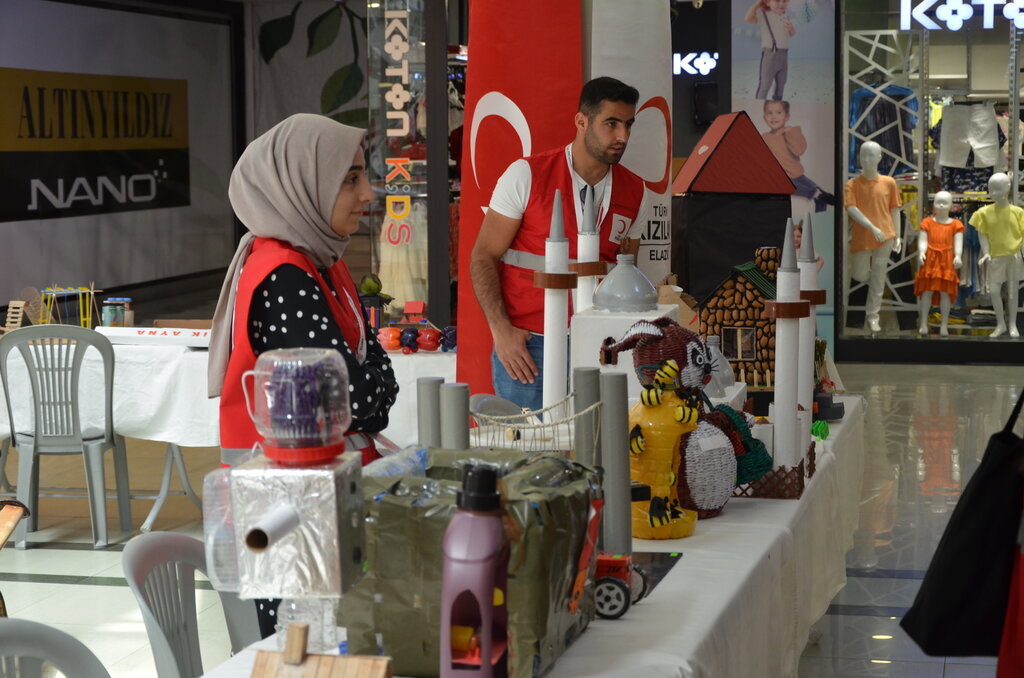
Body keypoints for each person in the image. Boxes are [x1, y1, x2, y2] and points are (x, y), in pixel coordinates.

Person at [208, 114, 399, 637]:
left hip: (319, 495)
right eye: (351, 179)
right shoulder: (286, 277)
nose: (369, 192)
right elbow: (358, 400)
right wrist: (369, 378)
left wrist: (368, 376)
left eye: (365, 175)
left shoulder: (320, 259)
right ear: (303, 183)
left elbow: (369, 369)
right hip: (292, 507)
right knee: (310, 648)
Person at [470, 77, 651, 411]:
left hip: (601, 347)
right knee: (532, 457)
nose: (622, 137)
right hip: (529, 349)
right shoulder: (526, 175)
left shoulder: (636, 192)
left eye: (628, 125)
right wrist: (502, 332)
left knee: (597, 451)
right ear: (581, 121)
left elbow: (626, 277)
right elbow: (483, 256)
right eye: (611, 123)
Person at [845, 140, 902, 334]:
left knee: (878, 276)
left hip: (884, 235)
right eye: (863, 155)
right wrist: (871, 226)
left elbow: (895, 210)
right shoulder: (852, 185)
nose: (867, 159)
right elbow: (851, 209)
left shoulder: (889, 182)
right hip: (863, 236)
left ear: (879, 158)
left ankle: (872, 317)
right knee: (859, 275)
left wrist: (898, 236)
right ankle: (874, 287)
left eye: (871, 155)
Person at [971, 172, 1024, 339]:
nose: (994, 193)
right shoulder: (983, 213)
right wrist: (986, 253)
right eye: (991, 189)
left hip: (1013, 256)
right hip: (995, 257)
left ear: (1008, 188)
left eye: (998, 189)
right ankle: (1000, 323)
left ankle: (1012, 324)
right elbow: (982, 235)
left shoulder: (1018, 212)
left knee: (1013, 292)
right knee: (994, 291)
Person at [761, 101, 832, 215]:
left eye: (778, 112)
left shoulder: (792, 132)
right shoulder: (765, 138)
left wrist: (790, 133)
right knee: (789, 185)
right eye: (769, 113)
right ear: (765, 117)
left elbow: (799, 150)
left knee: (820, 194)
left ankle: (820, 211)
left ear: (787, 116)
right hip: (780, 178)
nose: (773, 116)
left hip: (797, 175)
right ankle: (816, 194)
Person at [914, 191, 963, 337]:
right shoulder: (927, 222)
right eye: (938, 201)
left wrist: (958, 256)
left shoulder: (956, 224)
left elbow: (958, 243)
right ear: (933, 203)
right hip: (930, 259)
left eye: (945, 202)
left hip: (947, 260)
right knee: (926, 292)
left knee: (945, 293)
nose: (941, 205)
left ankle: (944, 325)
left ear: (951, 206)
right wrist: (921, 252)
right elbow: (922, 240)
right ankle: (923, 323)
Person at [746, 0, 795, 101]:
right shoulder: (764, 15)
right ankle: (758, 104)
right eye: (777, 1)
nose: (781, 4)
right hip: (770, 54)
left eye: (784, 1)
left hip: (784, 54)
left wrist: (791, 29)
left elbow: (791, 33)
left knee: (781, 83)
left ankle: (777, 102)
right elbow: (748, 19)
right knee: (765, 83)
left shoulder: (786, 16)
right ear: (768, 2)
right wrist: (756, 5)